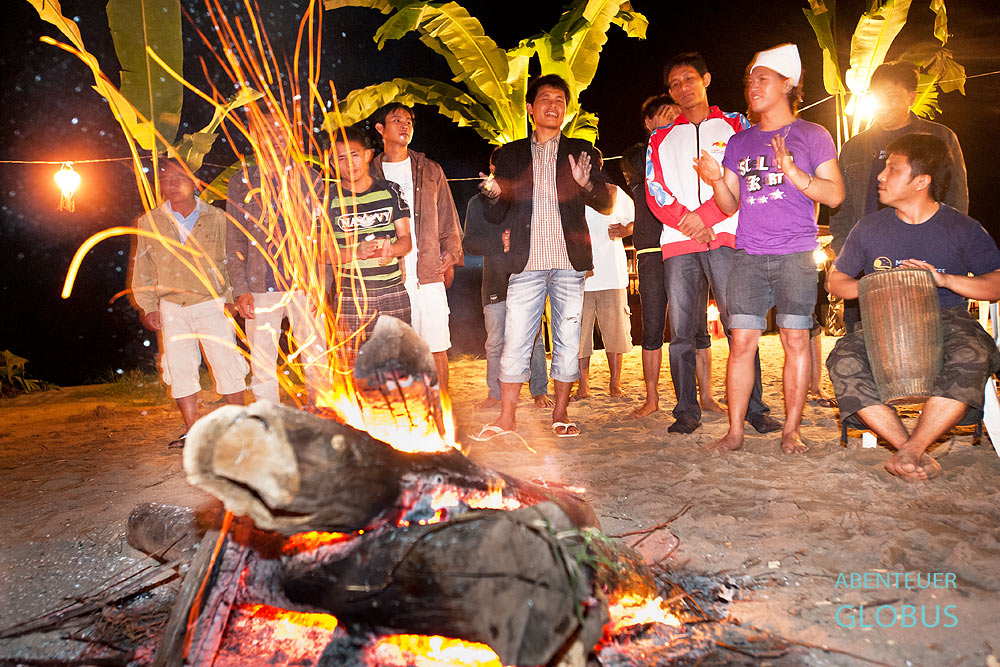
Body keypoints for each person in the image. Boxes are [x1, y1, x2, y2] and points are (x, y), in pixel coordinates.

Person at [696, 43, 844, 454]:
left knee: (795, 341)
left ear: (787, 84)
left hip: (796, 254)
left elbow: (834, 194)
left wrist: (795, 173)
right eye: (750, 79)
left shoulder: (812, 135)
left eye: (762, 78)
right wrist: (715, 180)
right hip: (748, 255)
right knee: (741, 342)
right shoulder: (740, 142)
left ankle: (790, 430)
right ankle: (735, 432)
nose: (752, 86)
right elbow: (730, 205)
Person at [826, 133, 1000, 482]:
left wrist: (945, 280)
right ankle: (910, 449)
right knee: (842, 359)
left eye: (892, 169)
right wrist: (879, 285)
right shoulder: (869, 227)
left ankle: (907, 452)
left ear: (922, 181)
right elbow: (835, 282)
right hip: (881, 322)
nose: (880, 175)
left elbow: (995, 284)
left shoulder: (961, 228)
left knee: (975, 352)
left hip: (946, 318)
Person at [470, 73, 614, 440]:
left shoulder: (580, 149)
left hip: (570, 264)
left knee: (567, 337)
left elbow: (607, 202)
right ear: (531, 108)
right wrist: (492, 192)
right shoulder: (512, 154)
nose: (554, 105)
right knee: (516, 339)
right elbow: (495, 214)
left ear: (566, 109)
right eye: (546, 99)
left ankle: (561, 414)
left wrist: (586, 184)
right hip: (526, 264)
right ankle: (506, 417)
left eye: (560, 101)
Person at [647, 52, 778, 435]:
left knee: (741, 325)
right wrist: (688, 224)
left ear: (706, 78)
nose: (682, 88)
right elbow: (656, 190)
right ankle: (686, 411)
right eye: (674, 84)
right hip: (677, 242)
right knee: (682, 332)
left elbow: (744, 176)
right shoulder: (661, 136)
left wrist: (704, 219)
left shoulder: (737, 125)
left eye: (689, 79)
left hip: (727, 237)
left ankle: (755, 409)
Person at [830, 61, 969, 333]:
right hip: (868, 264)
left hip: (927, 263)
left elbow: (957, 199)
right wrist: (845, 252)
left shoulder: (938, 138)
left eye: (891, 96)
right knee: (867, 343)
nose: (883, 104)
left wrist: (945, 251)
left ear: (911, 97)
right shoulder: (855, 147)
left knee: (934, 340)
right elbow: (841, 210)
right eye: (877, 96)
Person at [130, 159, 247, 448]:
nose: (173, 183)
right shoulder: (149, 222)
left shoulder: (217, 217)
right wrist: (148, 307)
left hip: (212, 302)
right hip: (172, 307)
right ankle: (193, 430)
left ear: (195, 182)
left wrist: (232, 298)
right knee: (179, 368)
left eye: (180, 177)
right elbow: (142, 269)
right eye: (167, 179)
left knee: (227, 364)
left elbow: (232, 258)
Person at [226, 109, 327, 405]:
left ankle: (321, 410)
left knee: (316, 353)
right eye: (266, 130)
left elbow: (322, 236)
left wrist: (322, 284)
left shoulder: (309, 178)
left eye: (280, 130)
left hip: (304, 285)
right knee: (262, 361)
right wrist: (240, 289)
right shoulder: (241, 182)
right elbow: (234, 238)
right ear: (254, 135)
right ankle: (269, 415)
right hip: (260, 288)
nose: (274, 136)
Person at [371, 103, 463, 393]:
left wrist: (451, 254)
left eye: (409, 121)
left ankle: (442, 410)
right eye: (396, 120)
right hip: (386, 278)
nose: (405, 125)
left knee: (436, 345)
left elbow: (448, 217)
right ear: (380, 129)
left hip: (427, 274)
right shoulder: (368, 172)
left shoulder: (430, 170)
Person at [462, 149, 551, 411]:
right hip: (495, 282)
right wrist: (499, 243)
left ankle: (539, 391)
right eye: (501, 166)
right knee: (496, 342)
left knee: (534, 340)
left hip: (529, 280)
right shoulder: (478, 203)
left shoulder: (528, 200)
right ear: (491, 167)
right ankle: (495, 393)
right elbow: (469, 243)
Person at [328, 126, 413, 363]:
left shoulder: (391, 191)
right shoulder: (328, 198)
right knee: (352, 365)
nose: (348, 164)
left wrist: (392, 250)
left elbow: (406, 241)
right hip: (350, 296)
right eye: (341, 158)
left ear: (367, 155)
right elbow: (323, 253)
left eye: (354, 155)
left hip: (392, 290)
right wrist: (355, 252)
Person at [575, 182, 634, 399]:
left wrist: (627, 230)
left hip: (612, 275)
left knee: (616, 333)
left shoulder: (614, 192)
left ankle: (615, 383)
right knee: (579, 337)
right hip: (580, 275)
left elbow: (635, 220)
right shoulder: (572, 191)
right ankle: (583, 386)